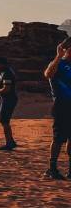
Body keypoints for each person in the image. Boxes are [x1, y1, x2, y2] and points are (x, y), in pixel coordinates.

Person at [43, 37, 71, 179]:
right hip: (62, 106)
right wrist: (58, 56)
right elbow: (47, 74)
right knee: (59, 138)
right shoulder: (59, 64)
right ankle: (52, 169)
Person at [0, 57, 18, 150]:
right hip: (8, 99)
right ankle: (10, 141)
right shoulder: (5, 72)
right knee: (4, 120)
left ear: (1, 64)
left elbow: (6, 89)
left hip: (9, 99)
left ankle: (9, 143)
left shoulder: (7, 74)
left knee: (4, 120)